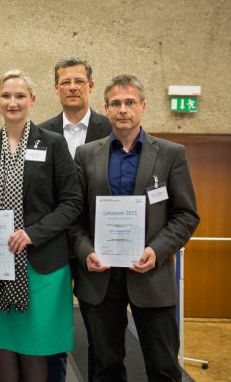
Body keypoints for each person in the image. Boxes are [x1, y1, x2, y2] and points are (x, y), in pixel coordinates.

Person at [71, 74, 200, 381]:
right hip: (100, 277)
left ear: (143, 107)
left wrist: (157, 250)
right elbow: (74, 217)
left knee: (164, 367)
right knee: (105, 367)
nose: (123, 109)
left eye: (130, 102)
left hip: (152, 276)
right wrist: (85, 251)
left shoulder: (171, 154)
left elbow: (185, 215)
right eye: (115, 103)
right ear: (105, 108)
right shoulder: (87, 155)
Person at [0, 70, 82, 382]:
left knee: (33, 347)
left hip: (40, 266)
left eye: (20, 96)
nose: (13, 102)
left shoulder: (52, 144)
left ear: (32, 100)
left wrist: (32, 233)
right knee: (2, 347)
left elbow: (72, 202)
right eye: (7, 96)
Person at [39, 56, 111, 382]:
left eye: (78, 81)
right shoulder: (40, 134)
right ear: (56, 88)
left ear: (90, 87)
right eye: (65, 82)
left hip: (96, 246)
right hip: (52, 246)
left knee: (100, 333)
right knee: (53, 328)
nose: (72, 87)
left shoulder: (109, 130)